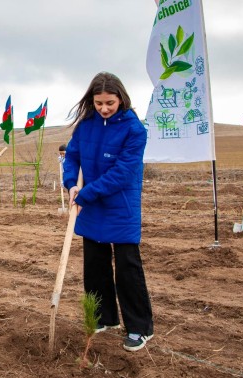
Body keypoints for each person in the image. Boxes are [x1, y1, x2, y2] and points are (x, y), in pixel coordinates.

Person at [62, 72, 154, 352]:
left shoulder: (134, 129)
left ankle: (139, 327)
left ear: (121, 99)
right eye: (99, 102)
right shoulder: (85, 125)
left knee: (127, 267)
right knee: (95, 264)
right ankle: (103, 318)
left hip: (119, 205)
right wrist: (70, 184)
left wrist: (85, 194)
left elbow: (123, 173)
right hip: (90, 204)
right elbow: (73, 156)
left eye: (110, 103)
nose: (104, 108)